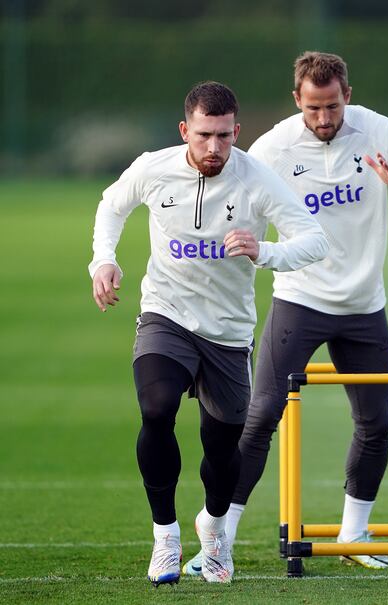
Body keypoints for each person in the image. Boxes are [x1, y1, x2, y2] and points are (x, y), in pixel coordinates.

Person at [182, 51, 388, 575]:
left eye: (332, 107)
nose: (324, 120)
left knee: (377, 423)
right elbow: (231, 204)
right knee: (258, 419)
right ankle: (218, 540)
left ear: (348, 94)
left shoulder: (377, 131)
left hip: (365, 304)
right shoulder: (275, 146)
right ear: (296, 100)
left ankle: (354, 535)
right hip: (299, 299)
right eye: (313, 108)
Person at [89, 81, 329, 586]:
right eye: (204, 135)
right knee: (156, 410)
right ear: (185, 131)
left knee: (222, 448)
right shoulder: (154, 167)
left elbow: (314, 240)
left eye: (224, 136)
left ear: (237, 131)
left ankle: (215, 530)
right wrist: (104, 260)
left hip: (226, 331)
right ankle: (166, 537)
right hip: (166, 313)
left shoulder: (257, 180)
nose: (215, 147)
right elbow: (112, 205)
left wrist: (266, 254)